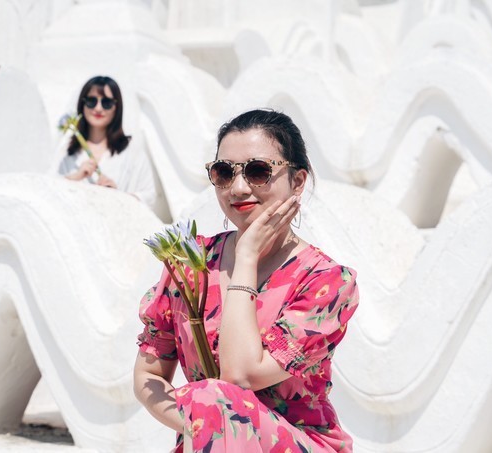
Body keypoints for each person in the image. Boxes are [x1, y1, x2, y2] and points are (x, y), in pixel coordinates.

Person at [134, 109, 359, 452]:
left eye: (258, 171)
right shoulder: (188, 265)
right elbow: (148, 375)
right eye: (224, 172)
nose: (238, 188)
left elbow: (240, 375)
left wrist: (247, 257)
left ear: (297, 181)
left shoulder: (325, 282)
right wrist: (205, 422)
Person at [58, 75, 157, 207]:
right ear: (82, 104)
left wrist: (117, 196)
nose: (98, 108)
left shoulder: (131, 150)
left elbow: (149, 195)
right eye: (91, 101)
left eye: (106, 103)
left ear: (117, 107)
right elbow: (50, 190)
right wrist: (75, 177)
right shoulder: (68, 150)